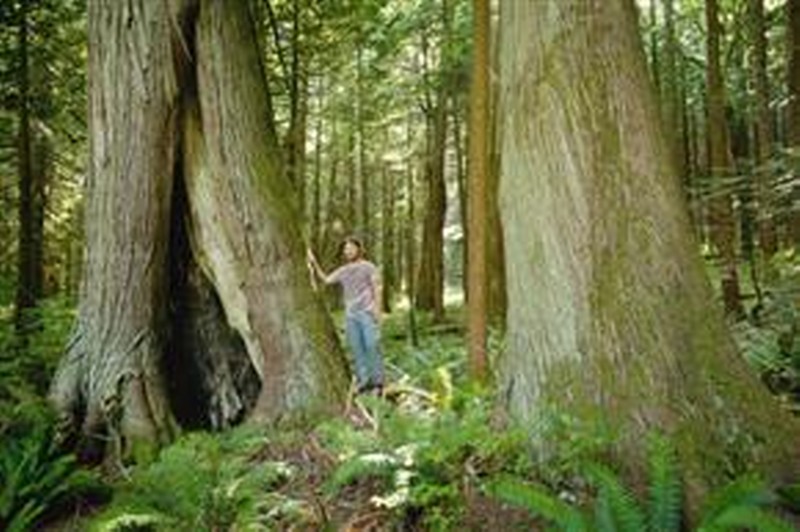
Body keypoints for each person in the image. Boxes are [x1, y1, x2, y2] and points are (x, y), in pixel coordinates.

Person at [307, 237, 384, 396]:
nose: (348, 251)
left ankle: (378, 382)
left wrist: (377, 310)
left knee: (371, 345)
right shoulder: (343, 270)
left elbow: (377, 288)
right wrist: (313, 263)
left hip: (367, 313)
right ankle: (364, 382)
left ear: (359, 249)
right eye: (346, 249)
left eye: (351, 248)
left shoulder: (369, 267)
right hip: (351, 316)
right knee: (357, 348)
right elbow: (326, 279)